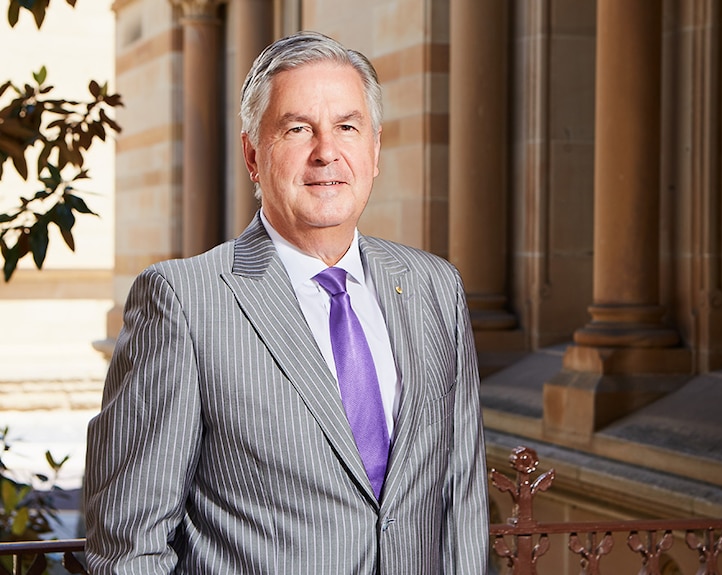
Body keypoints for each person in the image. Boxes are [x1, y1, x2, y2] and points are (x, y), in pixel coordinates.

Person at [83, 31, 489, 574]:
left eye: (347, 127)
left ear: (374, 150)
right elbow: (129, 544)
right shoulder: (183, 302)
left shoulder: (434, 288)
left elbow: (462, 498)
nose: (327, 151)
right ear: (253, 155)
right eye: (298, 129)